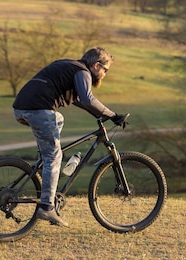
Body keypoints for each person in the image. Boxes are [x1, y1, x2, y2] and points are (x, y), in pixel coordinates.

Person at [13, 47, 127, 227]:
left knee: (58, 119)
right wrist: (113, 115)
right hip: (38, 109)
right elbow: (88, 98)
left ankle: (45, 168)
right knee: (54, 155)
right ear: (97, 66)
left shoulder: (69, 65)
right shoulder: (83, 72)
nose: (105, 74)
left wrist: (99, 114)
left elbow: (78, 99)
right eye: (106, 70)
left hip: (22, 108)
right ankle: (47, 207)